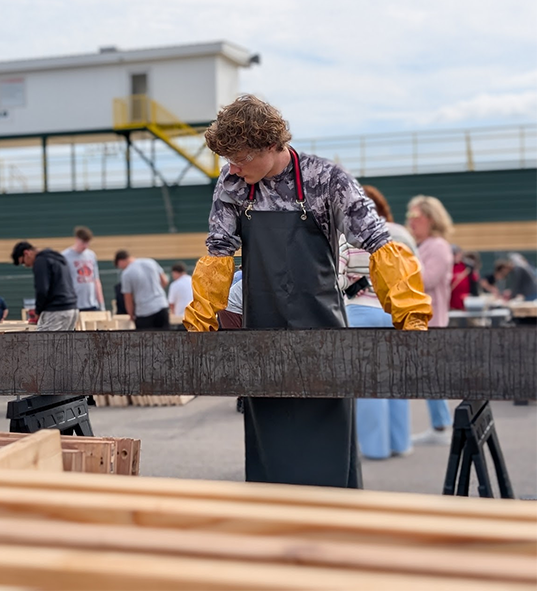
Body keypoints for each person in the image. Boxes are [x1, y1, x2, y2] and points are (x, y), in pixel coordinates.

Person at [183, 94, 432, 488]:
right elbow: (219, 254)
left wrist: (410, 317)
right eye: (227, 160)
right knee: (271, 458)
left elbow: (379, 243)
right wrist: (200, 324)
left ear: (270, 145)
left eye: (241, 157)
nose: (232, 167)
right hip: (260, 342)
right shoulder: (232, 184)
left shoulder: (326, 179)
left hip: (323, 339)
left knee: (328, 463)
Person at [338, 185, 416, 460]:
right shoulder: (400, 234)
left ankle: (375, 448)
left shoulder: (348, 237)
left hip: (361, 309)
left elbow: (336, 279)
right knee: (395, 380)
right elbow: (415, 273)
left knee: (369, 382)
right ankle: (400, 442)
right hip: (394, 311)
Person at [406, 196, 454, 446]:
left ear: (431, 219)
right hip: (423, 320)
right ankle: (440, 425)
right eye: (410, 216)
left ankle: (441, 426)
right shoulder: (422, 245)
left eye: (417, 217)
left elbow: (426, 280)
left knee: (431, 375)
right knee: (429, 375)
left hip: (431, 321)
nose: (411, 222)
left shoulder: (437, 246)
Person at [11, 241, 78, 331]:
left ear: (26, 253)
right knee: (65, 343)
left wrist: (38, 311)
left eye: (23, 262)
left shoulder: (41, 261)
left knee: (44, 342)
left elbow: (42, 290)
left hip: (56, 310)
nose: (26, 265)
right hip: (72, 309)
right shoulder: (57, 258)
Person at [114, 250, 169, 329]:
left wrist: (131, 314)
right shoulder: (151, 262)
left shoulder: (126, 273)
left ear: (120, 261)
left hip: (144, 311)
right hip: (161, 306)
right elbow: (164, 281)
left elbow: (128, 297)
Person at [62, 226, 105, 311]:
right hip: (75, 304)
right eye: (83, 242)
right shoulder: (65, 256)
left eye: (87, 243)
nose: (85, 246)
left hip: (92, 303)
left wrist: (101, 304)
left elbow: (96, 281)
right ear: (76, 239)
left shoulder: (91, 255)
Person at [450, 246, 479, 310]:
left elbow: (474, 284)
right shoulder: (448, 266)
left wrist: (472, 296)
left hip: (465, 303)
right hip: (451, 303)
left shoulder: (467, 266)